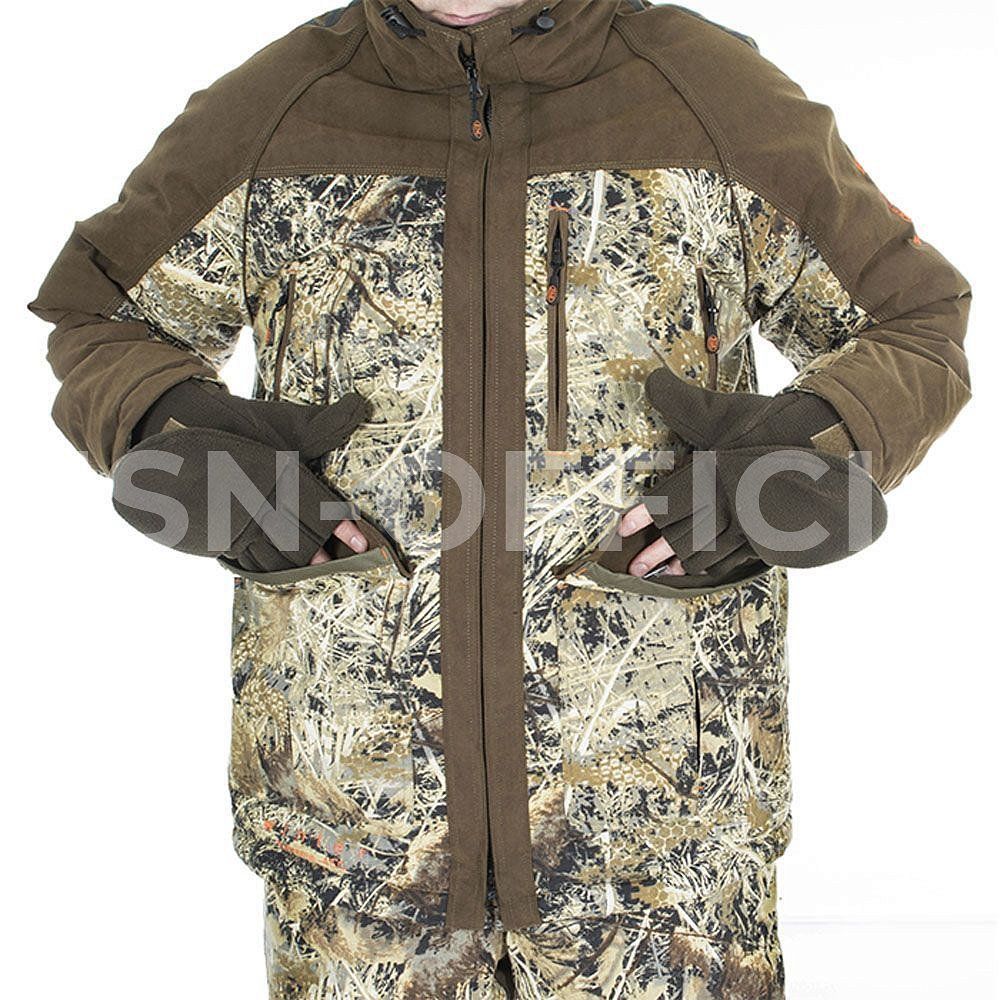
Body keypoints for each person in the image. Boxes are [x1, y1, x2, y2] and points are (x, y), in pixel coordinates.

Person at [28, 1, 972, 997]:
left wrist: (786, 464)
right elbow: (100, 315)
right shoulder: (276, 108)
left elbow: (913, 318)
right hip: (357, 860)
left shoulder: (709, 95)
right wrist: (190, 447)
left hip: (662, 863)